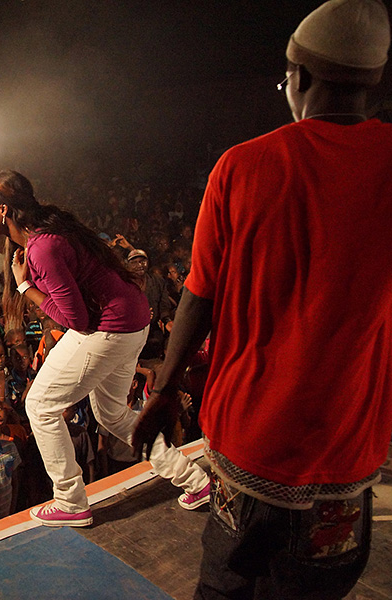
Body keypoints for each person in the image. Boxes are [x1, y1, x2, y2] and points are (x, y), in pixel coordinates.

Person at [133, 2, 392, 598]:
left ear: (300, 78)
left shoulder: (243, 165)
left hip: (252, 441)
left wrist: (167, 388)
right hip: (346, 448)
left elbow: (198, 296)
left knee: (228, 584)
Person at [0, 170, 208, 527]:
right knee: (112, 414)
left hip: (107, 330)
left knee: (40, 405)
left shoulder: (43, 248)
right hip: (131, 323)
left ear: (3, 210)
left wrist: (24, 288)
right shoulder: (41, 228)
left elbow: (76, 320)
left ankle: (70, 501)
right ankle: (194, 479)